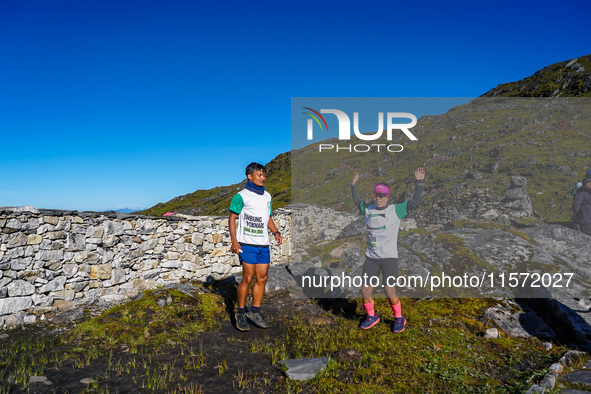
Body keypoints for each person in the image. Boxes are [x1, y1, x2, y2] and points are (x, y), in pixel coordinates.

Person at [351, 167, 425, 333]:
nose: (379, 198)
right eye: (376, 195)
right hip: (371, 258)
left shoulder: (395, 210)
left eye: (382, 195)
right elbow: (357, 202)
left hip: (389, 258)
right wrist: (353, 186)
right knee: (365, 289)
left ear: (387, 197)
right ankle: (372, 316)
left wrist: (419, 183)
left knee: (389, 289)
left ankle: (399, 318)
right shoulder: (368, 209)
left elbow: (414, 203)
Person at [229, 162, 282, 331]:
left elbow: (267, 217)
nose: (263, 178)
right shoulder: (241, 196)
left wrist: (275, 232)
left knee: (263, 277)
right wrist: (234, 242)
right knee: (248, 278)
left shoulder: (267, 196)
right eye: (259, 175)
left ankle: (255, 311)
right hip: (247, 244)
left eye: (264, 175)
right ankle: (241, 313)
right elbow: (232, 218)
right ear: (249, 176)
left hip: (263, 244)